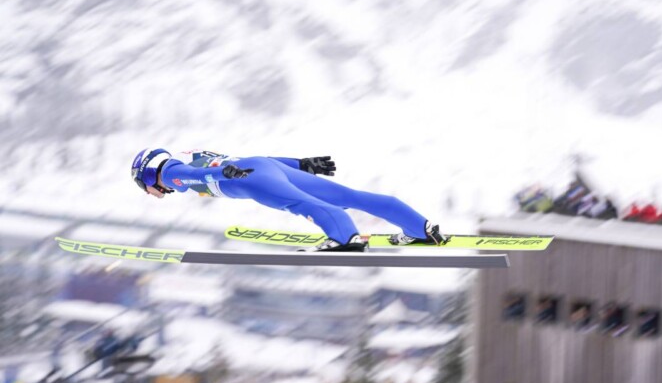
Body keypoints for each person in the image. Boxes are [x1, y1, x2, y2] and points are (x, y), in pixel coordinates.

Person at [131, 148, 445, 252]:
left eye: (144, 184)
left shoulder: (171, 174)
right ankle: (421, 228)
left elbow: (197, 177)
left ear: (148, 176)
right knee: (351, 196)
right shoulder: (187, 154)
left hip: (250, 178)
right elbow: (254, 159)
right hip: (266, 166)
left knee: (301, 204)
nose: (150, 190)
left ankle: (344, 239)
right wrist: (301, 164)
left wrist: (225, 173)